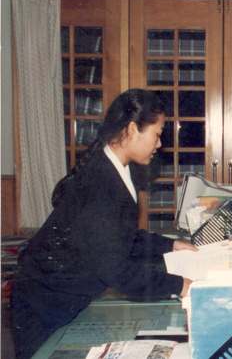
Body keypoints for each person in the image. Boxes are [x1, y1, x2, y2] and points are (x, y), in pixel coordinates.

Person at [11, 89, 197, 359]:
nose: (159, 144)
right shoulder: (101, 184)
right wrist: (180, 285)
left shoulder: (116, 169)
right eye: (157, 134)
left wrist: (170, 245)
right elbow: (118, 271)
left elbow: (120, 237)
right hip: (43, 303)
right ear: (132, 129)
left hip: (60, 295)